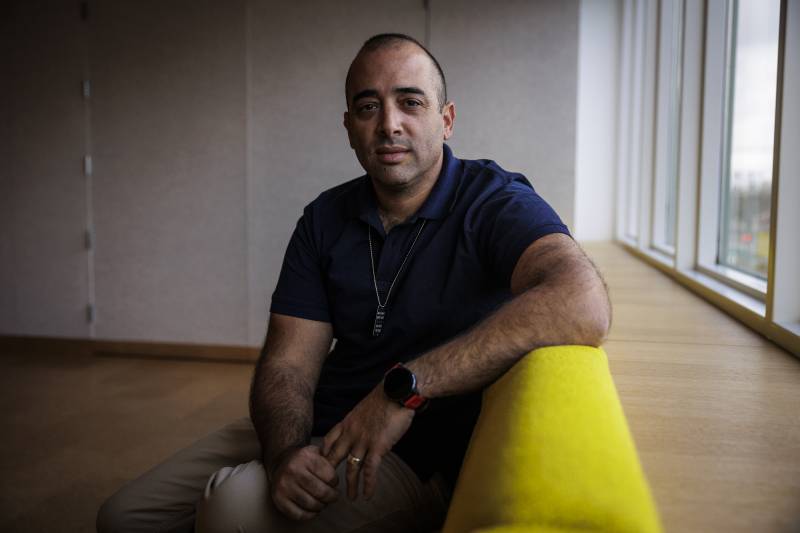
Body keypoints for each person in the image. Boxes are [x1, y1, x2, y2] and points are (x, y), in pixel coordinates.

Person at [97, 33, 610, 533]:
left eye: (410, 102)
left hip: (410, 457)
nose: (389, 124)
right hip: (311, 426)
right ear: (348, 126)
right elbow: (288, 364)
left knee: (231, 508)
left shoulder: (494, 202)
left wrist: (402, 391)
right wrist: (284, 454)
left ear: (446, 119)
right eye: (368, 107)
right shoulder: (325, 217)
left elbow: (581, 302)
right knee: (124, 517)